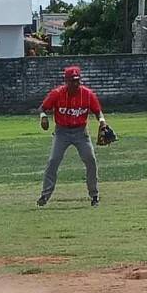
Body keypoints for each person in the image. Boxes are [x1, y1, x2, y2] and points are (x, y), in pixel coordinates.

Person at [37, 66, 106, 207]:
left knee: (90, 160)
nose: (75, 83)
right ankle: (45, 195)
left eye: (77, 80)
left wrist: (102, 122)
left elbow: (97, 111)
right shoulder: (57, 93)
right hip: (62, 132)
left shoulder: (87, 94)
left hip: (81, 132)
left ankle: (94, 195)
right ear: (66, 81)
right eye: (72, 81)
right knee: (53, 161)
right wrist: (43, 116)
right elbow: (42, 108)